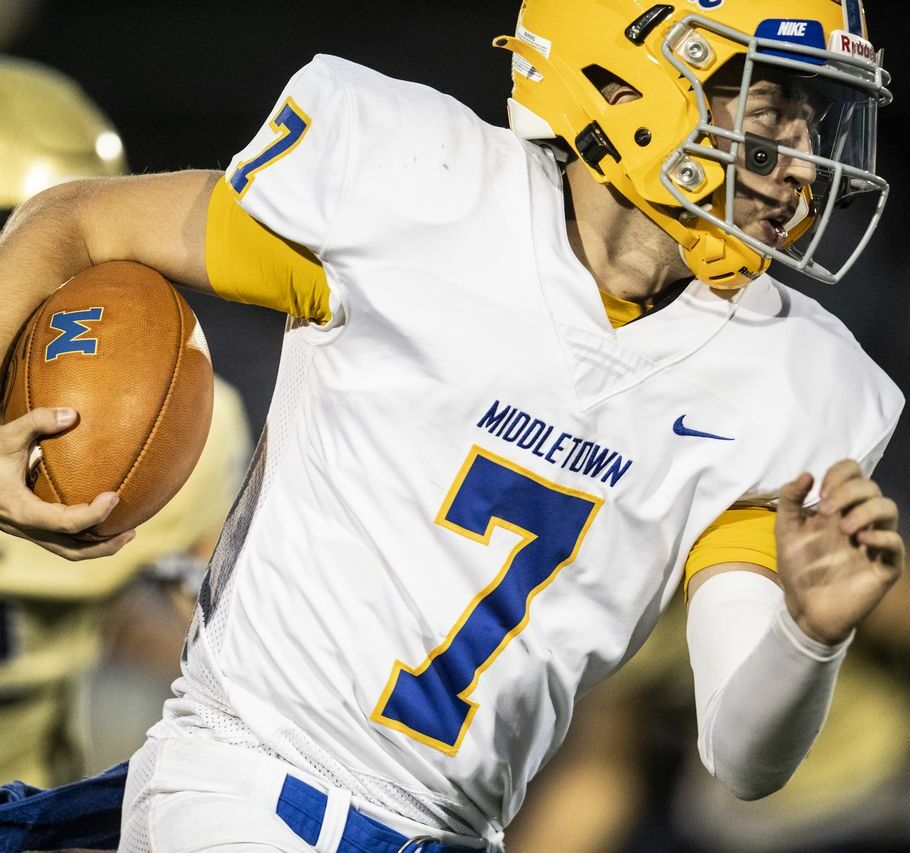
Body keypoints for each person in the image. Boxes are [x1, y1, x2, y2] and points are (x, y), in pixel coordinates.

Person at [0, 1, 904, 851]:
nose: (801, 161)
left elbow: (744, 757)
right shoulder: (416, 186)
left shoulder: (787, 377)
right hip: (250, 782)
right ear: (625, 83)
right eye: (770, 110)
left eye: (814, 122)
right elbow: (75, 221)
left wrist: (809, 637)